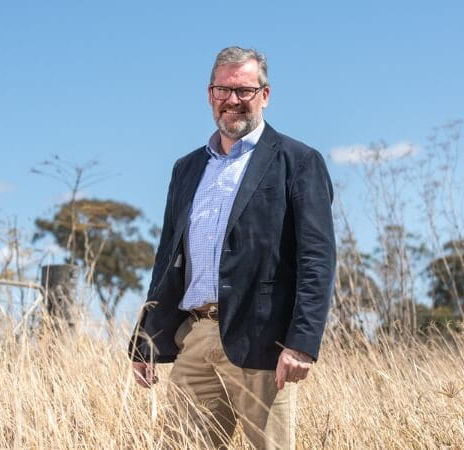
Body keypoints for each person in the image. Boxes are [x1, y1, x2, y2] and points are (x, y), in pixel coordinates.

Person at [129, 46, 336, 449]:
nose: (233, 101)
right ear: (210, 95)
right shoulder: (187, 168)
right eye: (224, 90)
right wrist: (146, 340)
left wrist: (301, 343)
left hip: (264, 343)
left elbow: (318, 258)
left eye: (244, 90)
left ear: (265, 95)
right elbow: (168, 258)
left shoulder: (299, 161)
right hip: (195, 338)